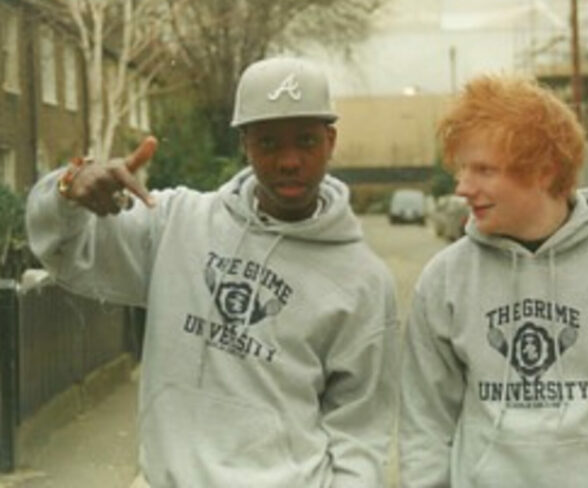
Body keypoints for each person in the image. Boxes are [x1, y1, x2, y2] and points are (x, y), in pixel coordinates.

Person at [26, 57, 398, 487]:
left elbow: (361, 430)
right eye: (269, 143)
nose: (290, 160)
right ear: (245, 143)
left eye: (306, 141)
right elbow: (65, 252)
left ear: (331, 141)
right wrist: (68, 192)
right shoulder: (175, 224)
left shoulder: (362, 279)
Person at [398, 73, 588, 487]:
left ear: (543, 171)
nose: (463, 188)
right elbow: (425, 426)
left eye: (484, 170)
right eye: (462, 170)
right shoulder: (444, 279)